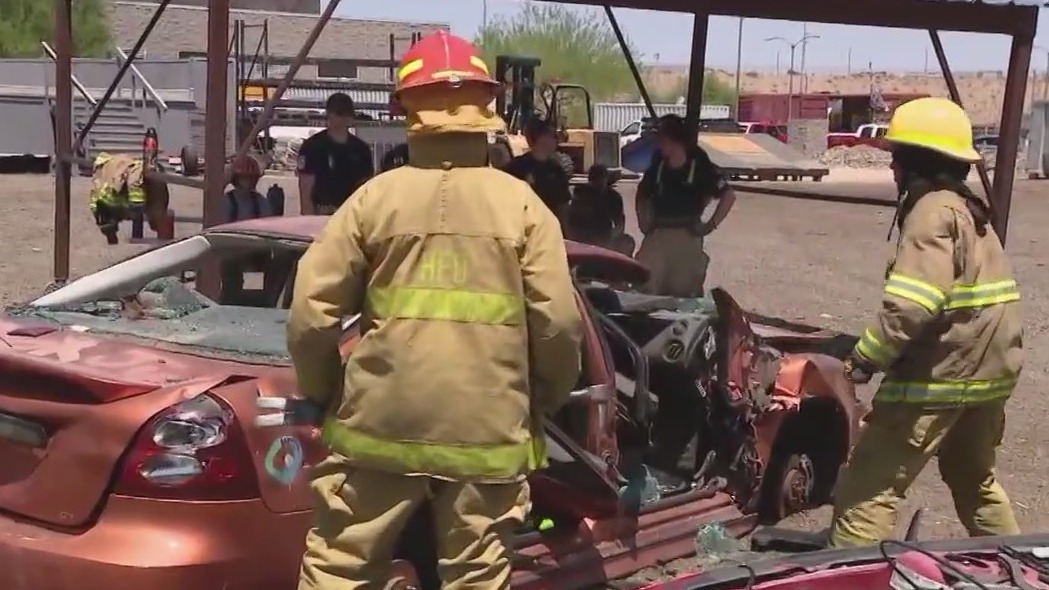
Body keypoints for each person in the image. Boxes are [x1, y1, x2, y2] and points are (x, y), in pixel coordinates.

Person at [287, 30, 583, 590]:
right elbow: (559, 327)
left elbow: (310, 315)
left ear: (405, 108)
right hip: (488, 429)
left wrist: (328, 393)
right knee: (476, 576)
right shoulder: (525, 208)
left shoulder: (371, 200)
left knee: (340, 569)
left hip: (379, 425)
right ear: (487, 107)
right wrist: (535, 401)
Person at [827, 97, 1022, 548]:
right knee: (976, 484)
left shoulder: (931, 211)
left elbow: (913, 304)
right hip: (988, 378)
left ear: (917, 161)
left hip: (939, 380)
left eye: (898, 157)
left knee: (867, 490)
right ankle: (1025, 570)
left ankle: (850, 579)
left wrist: (863, 361)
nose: (893, 168)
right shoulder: (970, 212)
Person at [634, 114, 736, 297]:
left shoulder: (699, 164)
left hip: (687, 235)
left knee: (683, 291)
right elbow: (642, 194)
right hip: (658, 233)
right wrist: (643, 220)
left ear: (674, 140)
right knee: (646, 283)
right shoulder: (659, 165)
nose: (659, 144)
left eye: (662, 139)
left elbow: (728, 195)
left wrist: (711, 225)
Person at [296, 92, 374, 215]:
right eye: (338, 113)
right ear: (328, 114)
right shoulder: (312, 146)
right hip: (321, 213)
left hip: (350, 214)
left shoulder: (360, 149)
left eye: (344, 114)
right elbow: (305, 190)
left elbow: (365, 189)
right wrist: (308, 219)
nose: (341, 119)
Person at [220, 154, 276, 304]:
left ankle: (271, 300)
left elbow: (270, 227)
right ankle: (230, 301)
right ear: (236, 180)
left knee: (278, 262)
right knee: (229, 264)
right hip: (233, 249)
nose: (248, 183)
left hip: (256, 249)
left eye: (251, 179)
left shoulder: (260, 201)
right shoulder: (227, 201)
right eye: (244, 179)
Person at [503, 119, 572, 218]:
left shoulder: (556, 169)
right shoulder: (516, 167)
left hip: (548, 226)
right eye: (553, 136)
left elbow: (563, 205)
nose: (557, 140)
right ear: (540, 138)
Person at [565, 164, 634, 255]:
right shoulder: (582, 195)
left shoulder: (613, 197)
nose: (599, 182)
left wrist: (610, 240)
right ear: (590, 180)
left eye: (601, 178)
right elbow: (571, 221)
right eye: (595, 179)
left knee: (627, 242)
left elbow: (620, 223)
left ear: (606, 179)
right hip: (583, 236)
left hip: (606, 236)